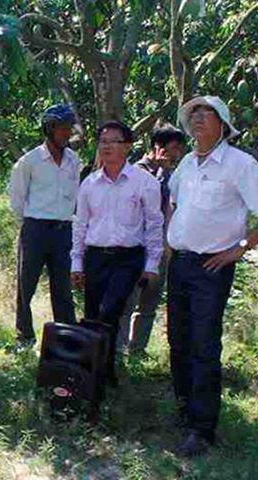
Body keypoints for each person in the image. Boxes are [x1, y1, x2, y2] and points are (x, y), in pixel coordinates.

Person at [166, 96, 258, 457]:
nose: (198, 119)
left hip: (212, 267)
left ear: (223, 123)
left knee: (204, 345)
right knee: (178, 339)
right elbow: (173, 202)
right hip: (181, 264)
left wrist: (237, 249)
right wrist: (170, 240)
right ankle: (186, 410)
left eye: (206, 114)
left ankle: (202, 430)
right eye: (193, 114)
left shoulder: (240, 164)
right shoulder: (187, 163)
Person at [71, 121, 163, 394]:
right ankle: (98, 375)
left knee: (109, 311)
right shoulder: (89, 184)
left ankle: (100, 375)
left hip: (127, 258)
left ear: (128, 146)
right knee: (92, 316)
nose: (107, 146)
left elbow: (154, 225)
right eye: (103, 141)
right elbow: (80, 225)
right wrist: (76, 263)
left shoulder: (143, 182)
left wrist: (152, 265)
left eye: (113, 141)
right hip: (96, 257)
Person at [8, 104, 82, 350]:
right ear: (49, 128)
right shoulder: (29, 162)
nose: (67, 133)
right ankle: (25, 337)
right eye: (62, 129)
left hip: (64, 231)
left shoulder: (73, 160)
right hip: (36, 229)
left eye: (69, 129)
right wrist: (31, 225)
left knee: (62, 287)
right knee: (25, 284)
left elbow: (76, 197)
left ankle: (66, 337)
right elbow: (17, 200)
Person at [117, 123, 186, 355]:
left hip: (160, 248)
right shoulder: (137, 170)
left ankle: (138, 348)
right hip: (136, 247)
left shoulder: (171, 175)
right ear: (158, 147)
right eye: (174, 148)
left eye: (179, 149)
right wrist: (160, 173)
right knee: (127, 300)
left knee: (149, 302)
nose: (177, 154)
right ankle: (119, 349)